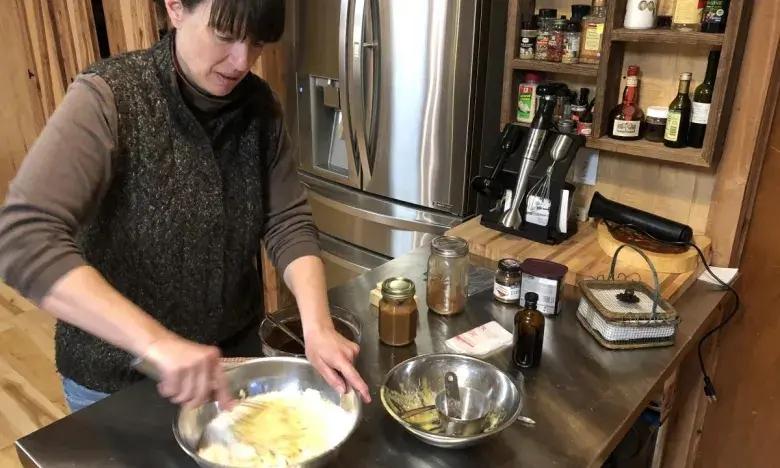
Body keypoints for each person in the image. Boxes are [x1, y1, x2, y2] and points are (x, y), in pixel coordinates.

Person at [0, 0, 370, 412]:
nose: (242, 61)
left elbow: (288, 221)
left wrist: (317, 327)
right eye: (225, 35)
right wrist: (157, 343)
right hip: (115, 384)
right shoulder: (110, 98)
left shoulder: (259, 108)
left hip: (233, 362)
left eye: (258, 42)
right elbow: (23, 240)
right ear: (175, 8)